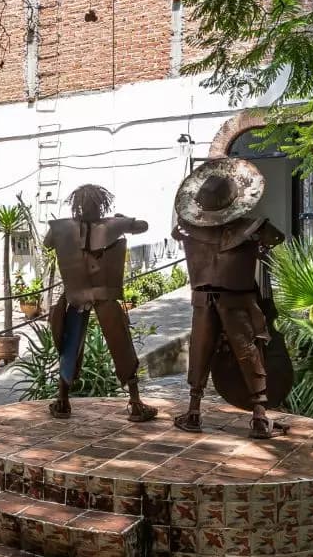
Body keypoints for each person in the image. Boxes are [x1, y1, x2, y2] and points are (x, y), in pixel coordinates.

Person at [173, 158, 284, 438]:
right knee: (249, 352)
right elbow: (276, 238)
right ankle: (259, 416)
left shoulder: (187, 230)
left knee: (200, 351)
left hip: (202, 301)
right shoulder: (253, 228)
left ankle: (194, 411)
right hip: (237, 301)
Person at [42, 185, 158, 422]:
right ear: (101, 205)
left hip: (75, 295)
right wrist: (122, 220)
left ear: (77, 206)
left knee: (70, 345)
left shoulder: (62, 228)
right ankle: (135, 403)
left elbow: (47, 243)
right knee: (121, 345)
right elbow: (142, 226)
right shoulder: (112, 225)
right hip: (103, 295)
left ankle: (63, 401)